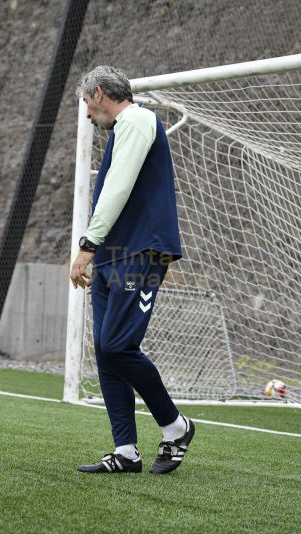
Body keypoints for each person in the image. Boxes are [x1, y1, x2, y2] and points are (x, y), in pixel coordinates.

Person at [69, 65, 195, 474]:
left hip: (142, 251)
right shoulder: (123, 131)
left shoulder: (139, 119)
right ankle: (125, 451)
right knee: (106, 353)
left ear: (101, 93)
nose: (88, 115)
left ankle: (176, 427)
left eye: (89, 104)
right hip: (113, 254)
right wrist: (98, 250)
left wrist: (86, 246)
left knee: (116, 346)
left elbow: (118, 187)